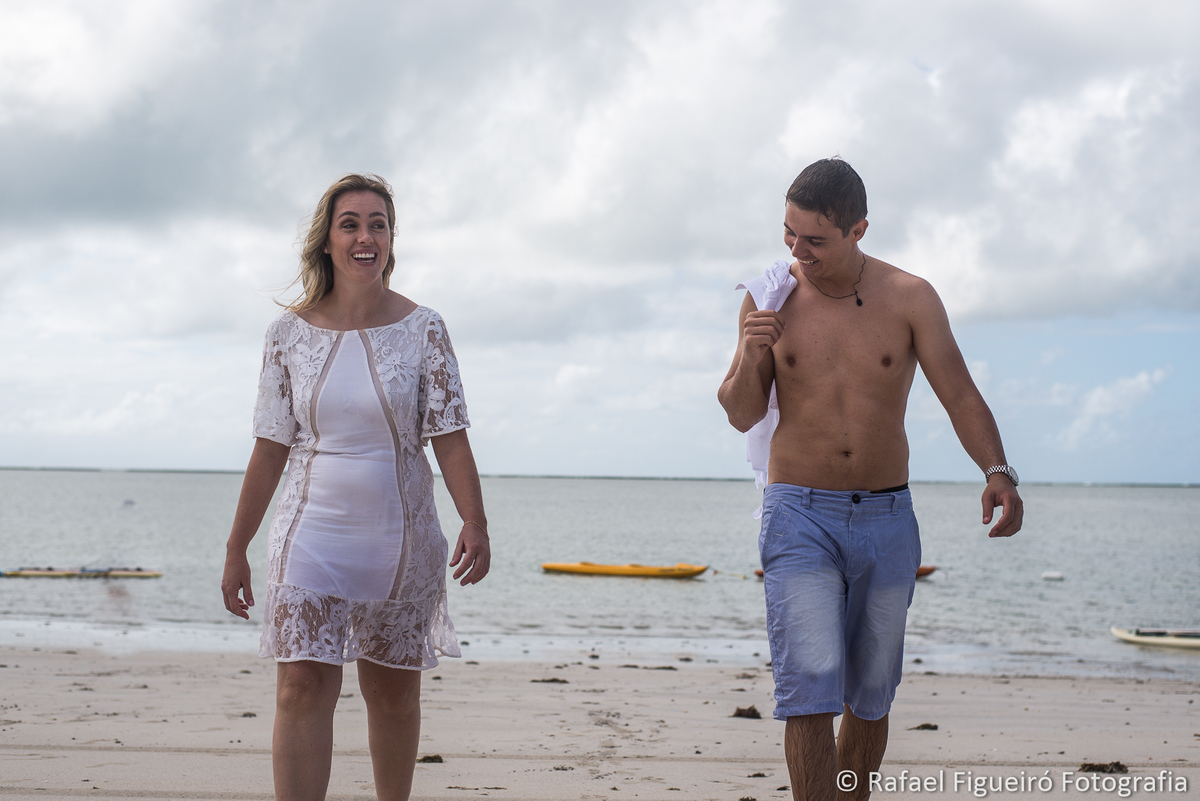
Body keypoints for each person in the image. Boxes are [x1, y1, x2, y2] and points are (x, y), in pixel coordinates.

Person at [717, 158, 1022, 801]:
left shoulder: (910, 297)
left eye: (815, 240)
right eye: (789, 234)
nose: (798, 252)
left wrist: (997, 472)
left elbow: (960, 395)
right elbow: (742, 411)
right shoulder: (771, 294)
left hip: (886, 516)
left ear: (859, 229)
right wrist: (751, 349)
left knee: (871, 694)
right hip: (797, 511)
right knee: (809, 688)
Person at [221, 173, 490, 801]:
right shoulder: (287, 334)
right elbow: (269, 447)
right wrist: (237, 547)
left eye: (378, 224)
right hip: (309, 534)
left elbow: (450, 436)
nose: (365, 236)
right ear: (327, 241)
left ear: (391, 241)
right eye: (351, 223)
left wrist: (474, 520)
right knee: (301, 689)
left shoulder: (425, 329)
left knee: (393, 695)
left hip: (400, 541)